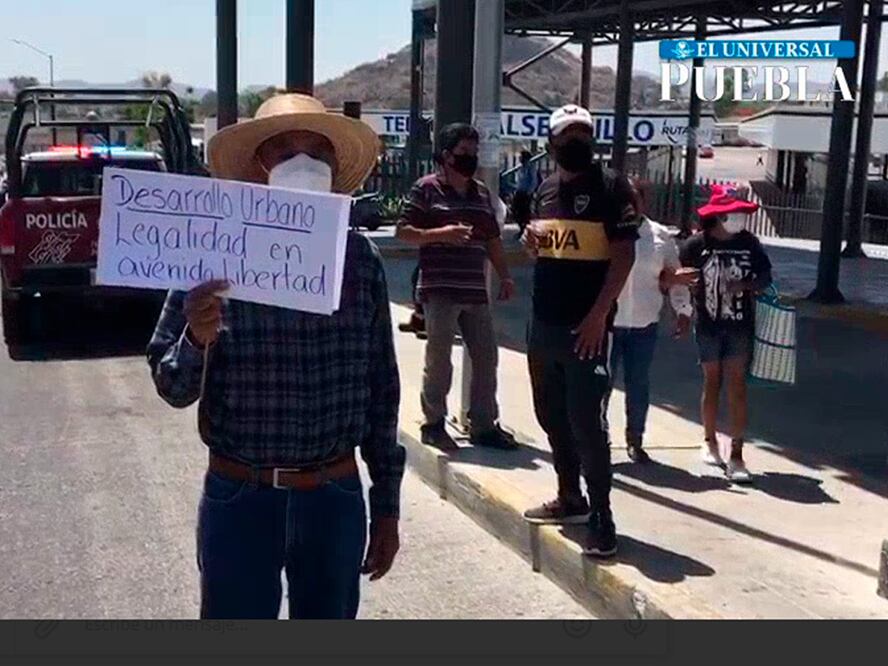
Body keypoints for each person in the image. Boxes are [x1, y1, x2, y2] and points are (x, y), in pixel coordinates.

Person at [147, 93, 405, 619]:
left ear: (335, 168)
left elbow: (383, 391)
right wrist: (197, 336)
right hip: (239, 497)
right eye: (285, 149)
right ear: (257, 168)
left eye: (317, 151)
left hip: (334, 498)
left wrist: (387, 507)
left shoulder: (359, 260)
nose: (303, 162)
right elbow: (173, 387)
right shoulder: (211, 252)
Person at [521, 104, 638, 558]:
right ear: (551, 144)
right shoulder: (545, 189)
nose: (577, 143)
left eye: (583, 135)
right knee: (551, 415)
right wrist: (531, 241)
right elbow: (544, 248)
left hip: (586, 329)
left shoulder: (612, 187)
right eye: (568, 136)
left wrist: (597, 317)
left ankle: (602, 516)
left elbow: (623, 257)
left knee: (588, 423)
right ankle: (570, 496)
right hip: (543, 325)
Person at [397, 123, 517, 451]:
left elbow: (492, 239)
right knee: (439, 358)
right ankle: (433, 422)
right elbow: (403, 231)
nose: (471, 159)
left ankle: (483, 424)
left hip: (474, 289)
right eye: (464, 153)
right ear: (447, 156)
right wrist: (441, 234)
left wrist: (505, 276)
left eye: (474, 153)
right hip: (440, 289)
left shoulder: (480, 194)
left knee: (486, 356)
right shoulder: (426, 189)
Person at [679, 185, 772, 483]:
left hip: (740, 324)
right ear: (718, 217)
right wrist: (684, 307)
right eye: (734, 214)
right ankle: (709, 440)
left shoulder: (750, 244)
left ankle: (737, 453)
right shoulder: (696, 245)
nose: (739, 219)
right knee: (712, 380)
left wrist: (745, 286)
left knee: (736, 385)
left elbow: (765, 276)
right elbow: (681, 279)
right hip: (708, 323)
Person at [610, 186, 696, 463]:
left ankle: (635, 439)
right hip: (609, 322)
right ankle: (595, 439)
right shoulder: (606, 230)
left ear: (644, 202)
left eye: (635, 199)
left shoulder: (660, 236)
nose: (630, 205)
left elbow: (675, 276)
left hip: (644, 324)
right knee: (600, 385)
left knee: (638, 385)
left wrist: (683, 310)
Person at [511, 149, 538, 239]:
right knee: (514, 210)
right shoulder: (521, 167)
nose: (519, 158)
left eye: (521, 156)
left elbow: (534, 181)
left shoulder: (530, 166)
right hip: (519, 192)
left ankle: (524, 230)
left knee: (524, 212)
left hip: (525, 193)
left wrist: (529, 192)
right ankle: (521, 227)